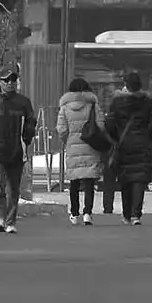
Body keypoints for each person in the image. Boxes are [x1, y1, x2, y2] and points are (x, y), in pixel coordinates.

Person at [0, 68, 37, 233]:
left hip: (17, 150)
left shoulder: (24, 102)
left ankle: (10, 222)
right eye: (6, 80)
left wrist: (26, 139)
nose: (10, 83)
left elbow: (31, 123)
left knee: (13, 188)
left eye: (13, 80)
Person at [102, 71, 152, 224]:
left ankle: (127, 214)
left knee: (126, 179)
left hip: (124, 145)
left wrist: (116, 138)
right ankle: (136, 214)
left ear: (126, 86)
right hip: (142, 144)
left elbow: (109, 124)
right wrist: (147, 135)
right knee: (139, 179)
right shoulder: (147, 102)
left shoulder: (117, 102)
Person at [54, 77, 104, 225]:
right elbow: (101, 126)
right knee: (89, 182)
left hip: (72, 146)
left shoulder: (64, 108)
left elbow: (61, 129)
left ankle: (74, 214)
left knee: (74, 182)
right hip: (91, 146)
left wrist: (68, 140)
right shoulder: (93, 106)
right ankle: (87, 213)